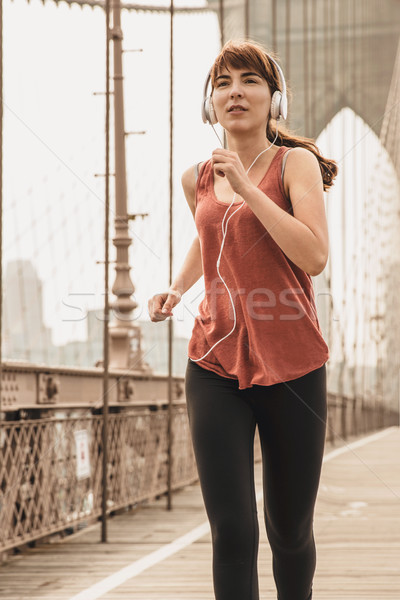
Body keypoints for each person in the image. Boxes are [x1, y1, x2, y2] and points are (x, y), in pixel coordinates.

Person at [148, 39, 338, 600]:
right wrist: (177, 287)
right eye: (224, 83)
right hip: (214, 362)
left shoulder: (294, 164)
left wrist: (251, 187)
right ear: (212, 103)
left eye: (250, 81)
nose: (236, 92)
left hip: (294, 365)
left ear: (273, 99)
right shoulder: (197, 178)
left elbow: (313, 256)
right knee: (232, 529)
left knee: (288, 530)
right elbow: (212, 235)